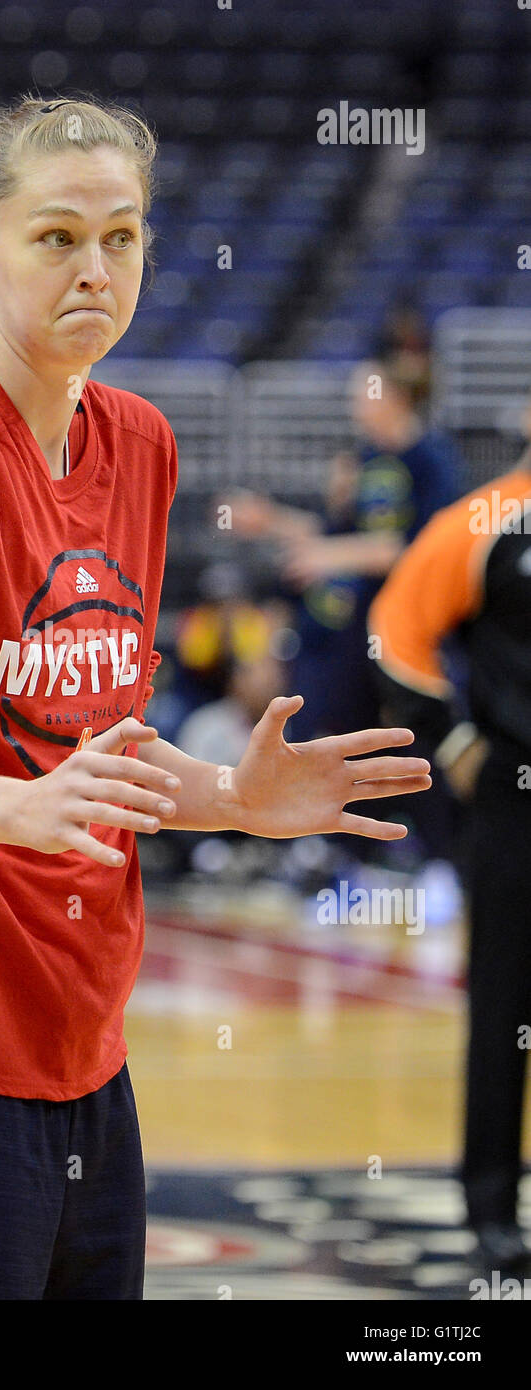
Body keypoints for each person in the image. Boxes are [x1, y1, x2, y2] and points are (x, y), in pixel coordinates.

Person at [0, 94, 432, 1301]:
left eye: (123, 237)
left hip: (80, 1063)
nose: (95, 268)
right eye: (56, 236)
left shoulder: (142, 446)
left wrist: (229, 795)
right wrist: (6, 810)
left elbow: (86, 752)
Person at [369, 427, 531, 1274]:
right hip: (516, 801)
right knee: (506, 1005)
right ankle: (492, 1206)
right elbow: (395, 629)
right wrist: (455, 741)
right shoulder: (490, 522)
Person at [223, 354, 462, 864]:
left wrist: (333, 554)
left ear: (394, 397)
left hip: (413, 632)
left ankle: (441, 860)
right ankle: (344, 856)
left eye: (364, 392)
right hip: (355, 631)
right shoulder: (365, 463)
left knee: (417, 740)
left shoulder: (432, 460)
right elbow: (331, 537)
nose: (355, 404)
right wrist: (269, 521)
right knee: (341, 734)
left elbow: (423, 545)